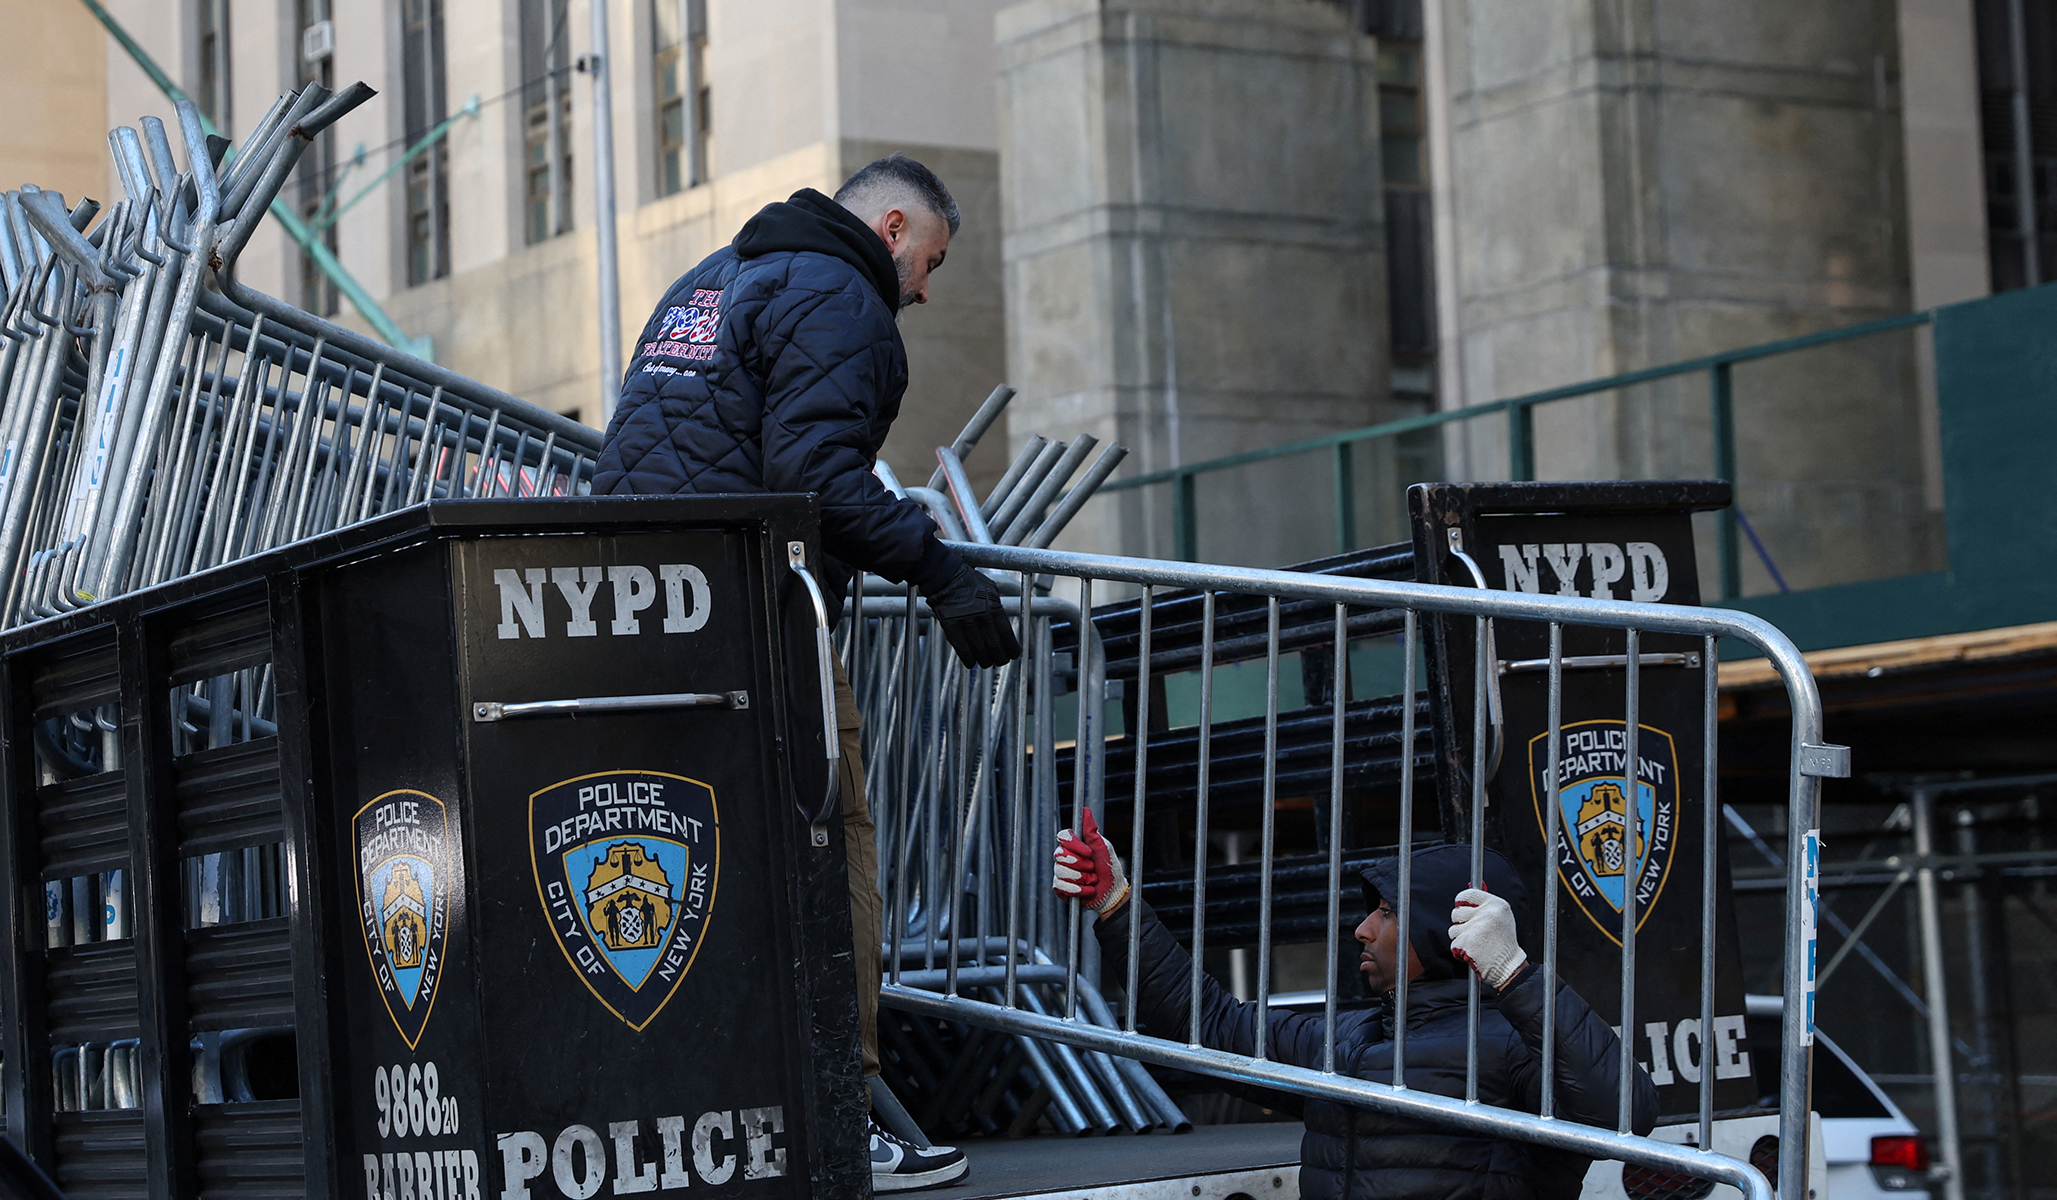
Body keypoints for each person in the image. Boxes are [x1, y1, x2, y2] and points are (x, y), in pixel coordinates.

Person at [595, 154, 1022, 1192]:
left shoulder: (708, 278)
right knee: (833, 841)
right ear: (888, 228)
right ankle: (837, 1114)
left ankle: (711, 1115)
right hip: (748, 605)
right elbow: (814, 476)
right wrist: (941, 570)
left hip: (625, 610)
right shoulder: (839, 294)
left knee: (701, 861)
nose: (925, 287)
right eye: (930, 259)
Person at [1053, 813, 1658, 1200]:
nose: (1362, 930)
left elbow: (1625, 1115)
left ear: (1440, 928)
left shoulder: (1512, 1044)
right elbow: (1207, 1024)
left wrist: (1514, 973)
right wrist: (1116, 905)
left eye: (1388, 912)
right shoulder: (1344, 1038)